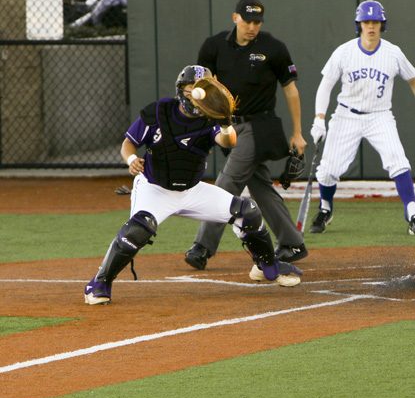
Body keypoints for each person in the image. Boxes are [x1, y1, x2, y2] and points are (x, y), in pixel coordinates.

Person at [84, 66, 302, 305]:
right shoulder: (158, 112)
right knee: (138, 229)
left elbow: (227, 142)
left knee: (247, 211)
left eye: (201, 91)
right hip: (154, 187)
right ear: (180, 91)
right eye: (190, 91)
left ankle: (265, 265)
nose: (194, 96)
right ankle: (100, 282)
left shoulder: (212, 116)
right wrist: (132, 159)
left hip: (192, 190)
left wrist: (227, 123)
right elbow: (128, 144)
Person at [184, 0, 308, 270]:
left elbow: (290, 90)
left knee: (227, 183)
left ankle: (202, 247)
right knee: (261, 187)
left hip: (258, 127)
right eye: (247, 20)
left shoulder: (273, 48)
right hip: (229, 126)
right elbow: (201, 87)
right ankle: (292, 242)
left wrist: (297, 133)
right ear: (235, 18)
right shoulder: (214, 46)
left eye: (257, 22)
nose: (252, 27)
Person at [308, 0, 415, 236]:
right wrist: (319, 118)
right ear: (359, 24)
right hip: (346, 115)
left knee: (398, 161)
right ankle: (325, 209)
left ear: (382, 24)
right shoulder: (344, 51)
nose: (371, 26)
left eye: (376, 22)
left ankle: (413, 215)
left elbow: (414, 80)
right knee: (328, 170)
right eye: (366, 22)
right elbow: (325, 86)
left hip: (380, 116)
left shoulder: (393, 52)